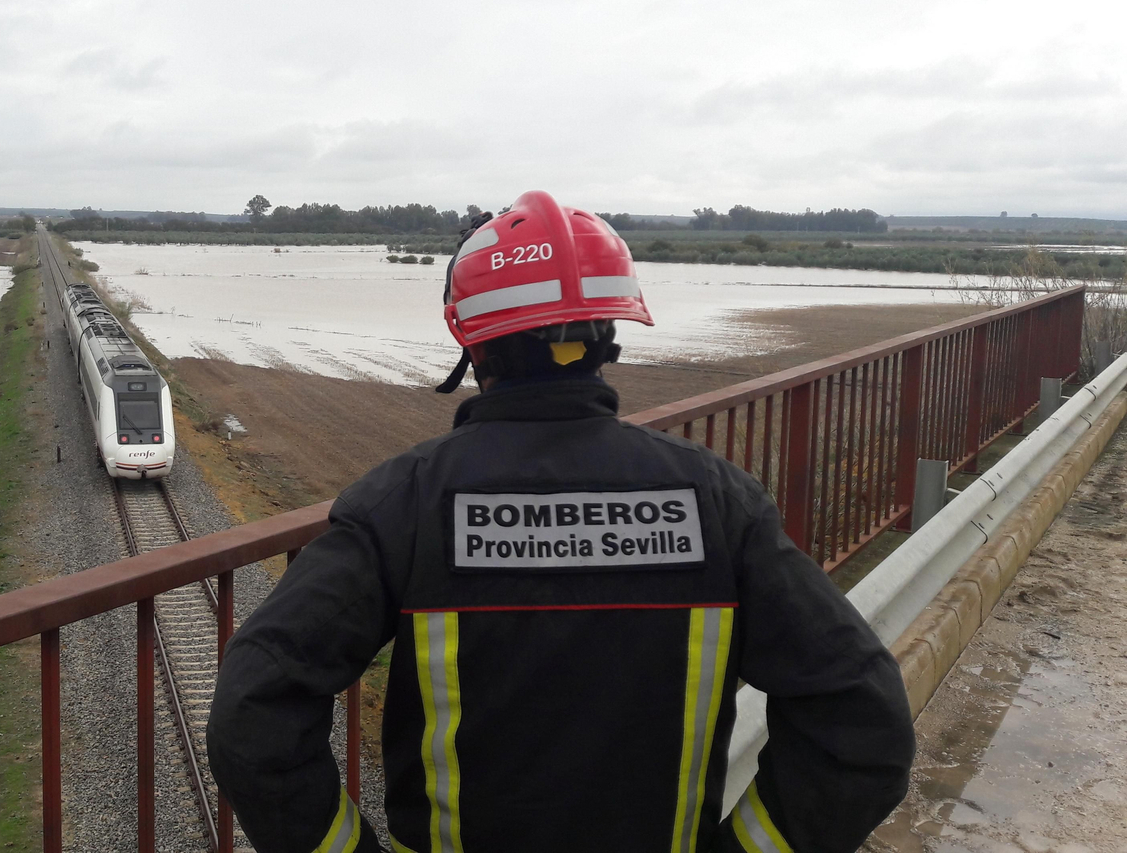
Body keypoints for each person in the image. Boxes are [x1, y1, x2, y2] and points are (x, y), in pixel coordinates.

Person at [207, 191, 915, 852]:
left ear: (472, 341)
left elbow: (254, 711)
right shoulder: (717, 501)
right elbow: (864, 724)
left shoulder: (407, 504)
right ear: (610, 335)